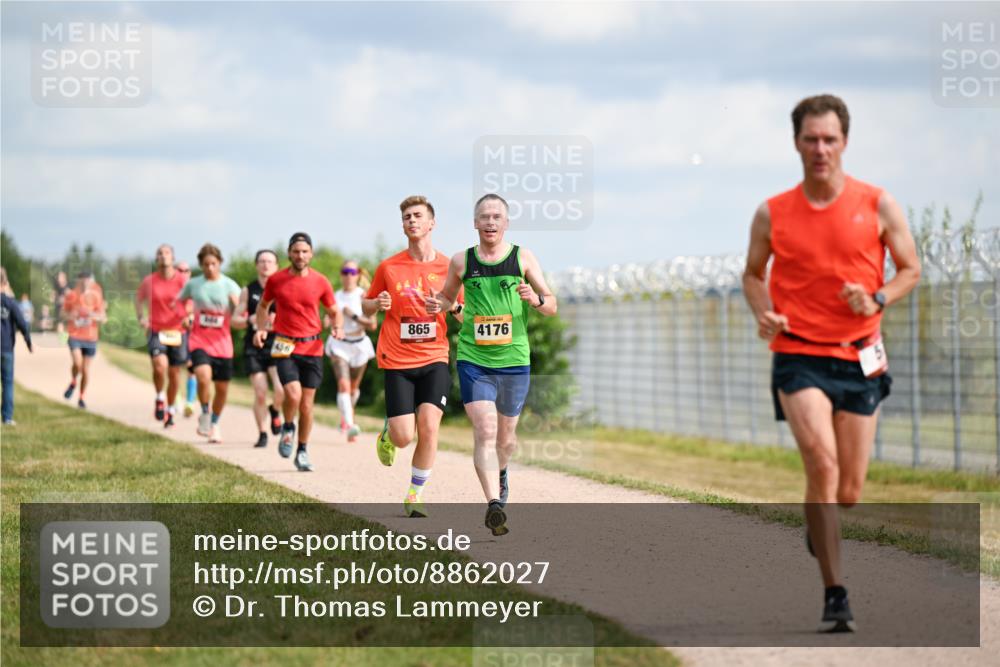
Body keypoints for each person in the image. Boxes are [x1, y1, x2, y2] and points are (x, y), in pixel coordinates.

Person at [742, 94, 920, 633]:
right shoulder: (773, 212)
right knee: (821, 466)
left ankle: (819, 524)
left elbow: (910, 269)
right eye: (811, 139)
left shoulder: (878, 204)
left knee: (849, 492)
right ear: (796, 143)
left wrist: (878, 298)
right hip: (798, 355)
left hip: (859, 355)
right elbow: (752, 273)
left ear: (845, 142)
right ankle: (835, 593)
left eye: (830, 139)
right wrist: (764, 312)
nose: (820, 148)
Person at [427, 194, 556, 535]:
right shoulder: (461, 260)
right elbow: (447, 298)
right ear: (475, 223)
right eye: (484, 216)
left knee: (506, 439)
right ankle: (494, 504)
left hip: (514, 360)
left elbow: (551, 305)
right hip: (474, 359)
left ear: (506, 223)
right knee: (485, 429)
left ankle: (501, 471)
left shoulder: (523, 257)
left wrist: (535, 299)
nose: (490, 222)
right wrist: (437, 304)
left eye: (497, 216)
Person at [363, 196, 464, 518]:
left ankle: (415, 494)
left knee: (430, 426)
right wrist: (376, 304)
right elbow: (365, 305)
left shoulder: (450, 267)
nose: (412, 220)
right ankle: (389, 434)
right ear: (403, 225)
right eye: (407, 216)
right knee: (404, 436)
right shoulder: (389, 267)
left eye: (418, 215)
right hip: (397, 360)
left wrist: (451, 306)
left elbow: (466, 315)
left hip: (434, 357)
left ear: (432, 223)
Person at [254, 232, 342, 471]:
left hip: (312, 347)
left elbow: (334, 311)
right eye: (296, 251)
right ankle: (288, 426)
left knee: (307, 405)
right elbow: (263, 306)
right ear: (289, 254)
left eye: (304, 252)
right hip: (285, 345)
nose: (300, 256)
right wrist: (261, 329)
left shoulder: (321, 281)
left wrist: (337, 326)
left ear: (311, 254)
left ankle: (302, 450)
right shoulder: (277, 280)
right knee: (293, 395)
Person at [178, 244, 241, 442]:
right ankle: (205, 412)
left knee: (222, 389)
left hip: (223, 345)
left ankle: (214, 423)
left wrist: (236, 306)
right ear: (201, 265)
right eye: (206, 264)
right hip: (199, 341)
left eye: (213, 263)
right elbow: (179, 303)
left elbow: (241, 313)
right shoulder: (194, 284)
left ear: (220, 263)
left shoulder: (230, 285)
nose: (210, 268)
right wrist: (185, 315)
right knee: (203, 376)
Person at [233, 249, 285, 448]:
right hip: (254, 346)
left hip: (277, 343)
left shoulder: (283, 289)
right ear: (256, 265)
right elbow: (234, 320)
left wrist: (277, 320)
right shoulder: (248, 290)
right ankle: (262, 433)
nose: (266, 265)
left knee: (281, 389)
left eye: (270, 261)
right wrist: (250, 319)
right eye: (262, 261)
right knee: (260, 392)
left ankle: (275, 410)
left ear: (276, 266)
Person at [135, 244, 190, 427]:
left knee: (174, 374)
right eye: (160, 253)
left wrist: (188, 316)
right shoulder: (149, 281)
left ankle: (171, 409)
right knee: (159, 366)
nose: (163, 255)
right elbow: (139, 299)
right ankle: (160, 398)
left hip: (178, 331)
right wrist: (141, 318)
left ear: (172, 257)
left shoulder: (182, 280)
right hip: (157, 330)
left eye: (167, 253)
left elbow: (191, 301)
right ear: (156, 258)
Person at [325, 260, 376, 443]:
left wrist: (352, 315)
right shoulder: (335, 296)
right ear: (341, 274)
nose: (348, 275)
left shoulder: (364, 295)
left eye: (352, 272)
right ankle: (349, 424)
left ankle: (347, 416)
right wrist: (329, 320)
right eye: (345, 271)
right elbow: (327, 319)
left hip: (359, 345)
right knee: (344, 385)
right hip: (339, 344)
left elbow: (372, 325)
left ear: (358, 274)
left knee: (353, 389)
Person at [61, 271, 107, 409]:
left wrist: (92, 315)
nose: (86, 283)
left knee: (86, 370)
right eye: (83, 280)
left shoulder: (96, 296)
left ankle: (81, 397)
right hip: (74, 335)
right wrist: (71, 315)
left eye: (88, 280)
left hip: (91, 337)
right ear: (78, 281)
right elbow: (62, 314)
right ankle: (74, 381)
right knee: (77, 363)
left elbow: (103, 317)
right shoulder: (71, 295)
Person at [1, 268, 33, 425]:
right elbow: (22, 323)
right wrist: (28, 342)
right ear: (5, 282)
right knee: (7, 383)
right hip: (6, 348)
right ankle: (7, 417)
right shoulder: (11, 303)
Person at [175, 260, 198, 419]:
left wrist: (191, 318)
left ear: (190, 273)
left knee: (192, 368)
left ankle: (189, 402)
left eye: (186, 270)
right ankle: (176, 397)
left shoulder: (196, 290)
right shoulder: (171, 290)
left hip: (191, 334)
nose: (183, 273)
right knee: (175, 367)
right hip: (174, 333)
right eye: (180, 270)